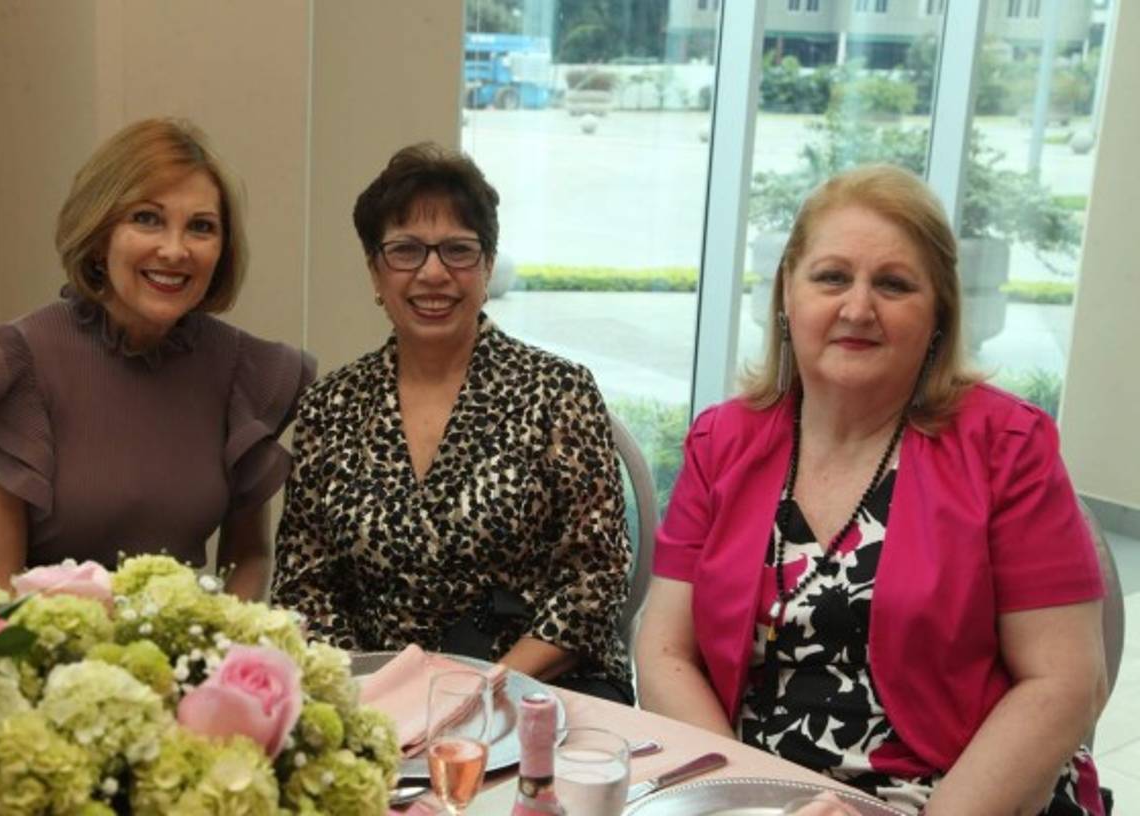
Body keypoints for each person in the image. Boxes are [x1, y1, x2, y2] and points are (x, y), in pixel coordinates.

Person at [636, 165, 1108, 814]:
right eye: (832, 277)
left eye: (893, 284)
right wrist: (745, 804)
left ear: (938, 311)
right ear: (786, 296)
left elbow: (1064, 683)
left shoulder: (1007, 446)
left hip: (957, 796)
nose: (858, 308)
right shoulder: (722, 442)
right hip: (757, 792)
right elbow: (664, 651)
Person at [272, 143, 633, 703]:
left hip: (538, 690)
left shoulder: (560, 391)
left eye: (458, 251)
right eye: (406, 250)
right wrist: (361, 698)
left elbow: (596, 582)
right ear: (374, 270)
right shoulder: (330, 405)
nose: (433, 273)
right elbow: (304, 589)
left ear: (487, 266)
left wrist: (483, 690)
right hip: (377, 700)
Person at [0, 118, 316, 599]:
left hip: (195, 663)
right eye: (146, 218)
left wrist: (220, 652)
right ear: (99, 231)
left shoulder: (242, 372)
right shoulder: (5, 371)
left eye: (201, 227)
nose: (175, 249)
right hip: (43, 662)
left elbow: (248, 555)